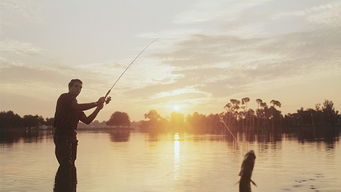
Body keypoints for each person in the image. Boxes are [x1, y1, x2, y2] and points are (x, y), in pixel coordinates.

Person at [53, 79, 111, 166]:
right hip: (62, 136)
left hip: (72, 137)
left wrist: (98, 108)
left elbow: (87, 121)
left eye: (80, 87)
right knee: (65, 165)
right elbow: (75, 106)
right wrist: (96, 103)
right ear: (70, 87)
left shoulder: (77, 107)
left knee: (71, 164)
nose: (78, 89)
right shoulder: (64, 97)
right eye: (76, 86)